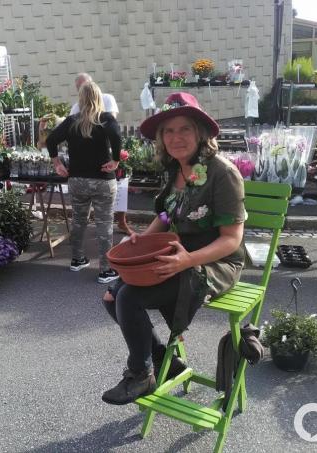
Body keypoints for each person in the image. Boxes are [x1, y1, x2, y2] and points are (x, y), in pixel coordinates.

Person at [100, 92, 247, 405]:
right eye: (168, 131)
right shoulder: (176, 170)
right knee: (111, 296)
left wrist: (188, 261)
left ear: (200, 133)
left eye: (184, 129)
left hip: (214, 263)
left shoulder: (223, 174)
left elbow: (232, 240)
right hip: (176, 255)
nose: (176, 137)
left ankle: (140, 374)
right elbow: (167, 215)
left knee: (129, 296)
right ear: (161, 138)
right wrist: (142, 239)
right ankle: (166, 361)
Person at [46, 81, 122, 284]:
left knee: (79, 220)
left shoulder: (71, 121)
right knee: (104, 223)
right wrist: (115, 159)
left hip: (77, 180)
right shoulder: (105, 119)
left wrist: (56, 162)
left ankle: (77, 259)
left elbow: (51, 139)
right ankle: (106, 270)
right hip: (102, 181)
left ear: (80, 99)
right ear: (99, 97)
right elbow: (116, 135)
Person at [68, 73, 131, 234]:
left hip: (109, 152)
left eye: (85, 86)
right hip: (88, 156)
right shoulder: (76, 107)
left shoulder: (107, 99)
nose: (83, 90)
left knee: (120, 185)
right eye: (79, 88)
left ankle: (121, 221)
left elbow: (111, 124)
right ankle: (86, 225)